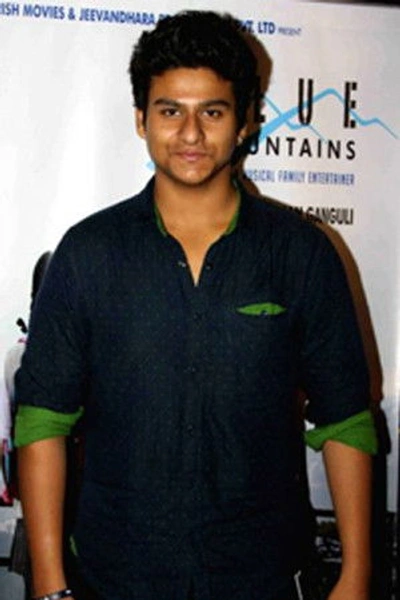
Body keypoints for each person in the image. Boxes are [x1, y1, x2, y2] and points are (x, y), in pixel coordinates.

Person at [14, 10, 377, 600]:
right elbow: (41, 420)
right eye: (169, 111)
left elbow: (346, 420)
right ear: (140, 119)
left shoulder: (301, 254)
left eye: (212, 111)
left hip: (263, 578)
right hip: (114, 577)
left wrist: (356, 576)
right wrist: (50, 586)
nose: (190, 134)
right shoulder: (88, 254)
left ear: (245, 121)